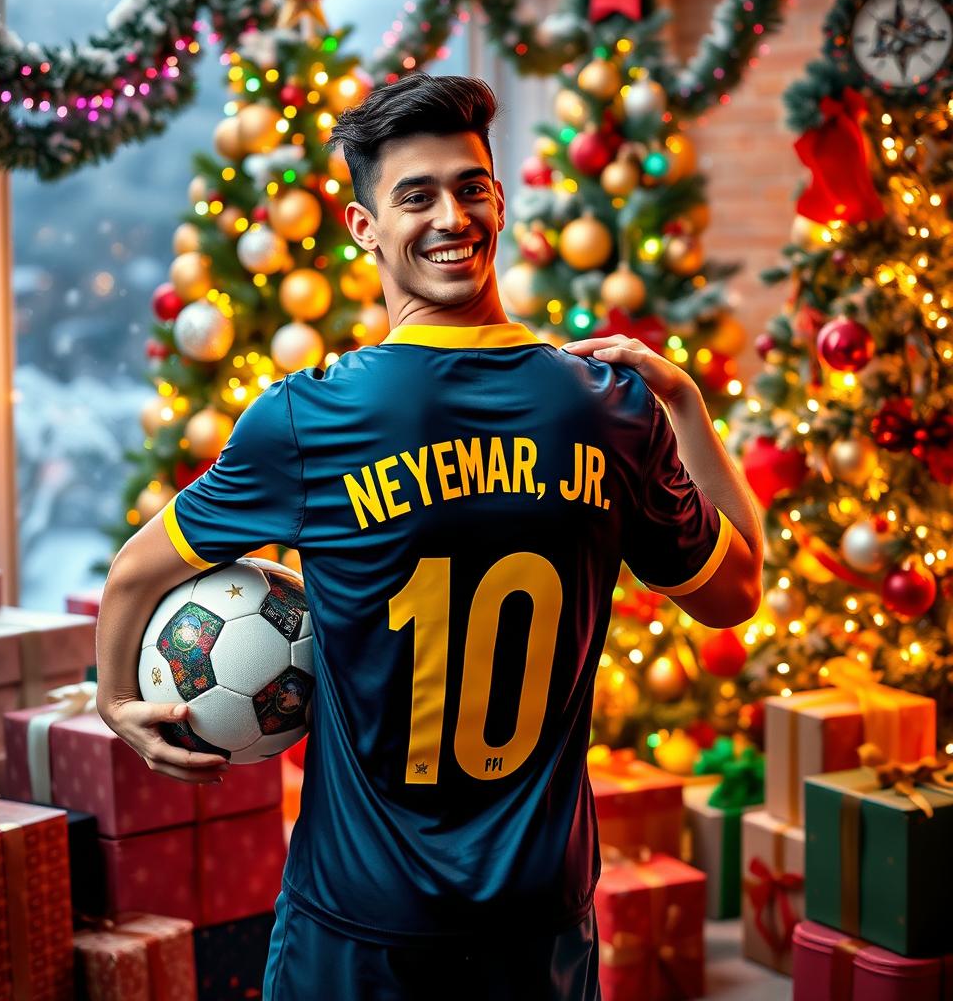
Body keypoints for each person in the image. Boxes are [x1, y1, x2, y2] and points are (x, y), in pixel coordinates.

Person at [96, 72, 762, 1000]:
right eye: (417, 194)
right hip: (535, 917)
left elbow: (134, 572)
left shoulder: (309, 418)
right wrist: (685, 404)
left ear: (498, 202)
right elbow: (736, 591)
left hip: (361, 922)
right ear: (366, 226)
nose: (451, 214)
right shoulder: (605, 409)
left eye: (470, 187)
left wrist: (114, 701)